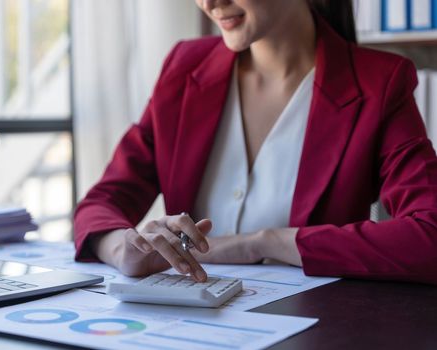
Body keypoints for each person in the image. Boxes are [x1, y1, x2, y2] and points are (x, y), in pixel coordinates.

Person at [73, 0, 437, 285]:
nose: (209, 2)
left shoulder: (379, 83)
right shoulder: (184, 69)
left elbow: (430, 234)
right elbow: (101, 203)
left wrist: (265, 243)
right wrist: (124, 247)